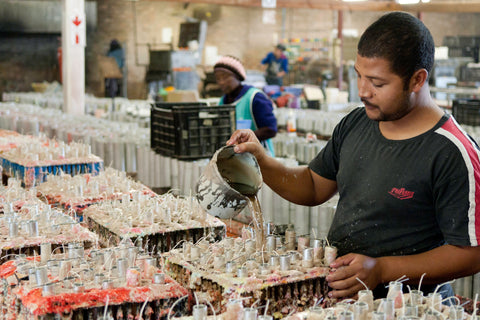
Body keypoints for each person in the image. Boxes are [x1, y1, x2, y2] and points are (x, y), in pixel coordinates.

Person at [227, 12, 480, 301]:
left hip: (409, 306)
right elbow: (312, 186)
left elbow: (471, 254)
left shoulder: (451, 151)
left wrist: (382, 269)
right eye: (358, 75)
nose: (362, 91)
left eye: (377, 83)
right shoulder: (356, 123)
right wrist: (261, 158)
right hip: (346, 295)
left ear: (417, 80)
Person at [214, 55, 277, 156]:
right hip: (236, 157)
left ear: (237, 76)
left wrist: (244, 138)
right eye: (218, 79)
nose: (221, 82)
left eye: (225, 77)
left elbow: (271, 129)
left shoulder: (254, 97)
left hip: (259, 158)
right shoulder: (222, 101)